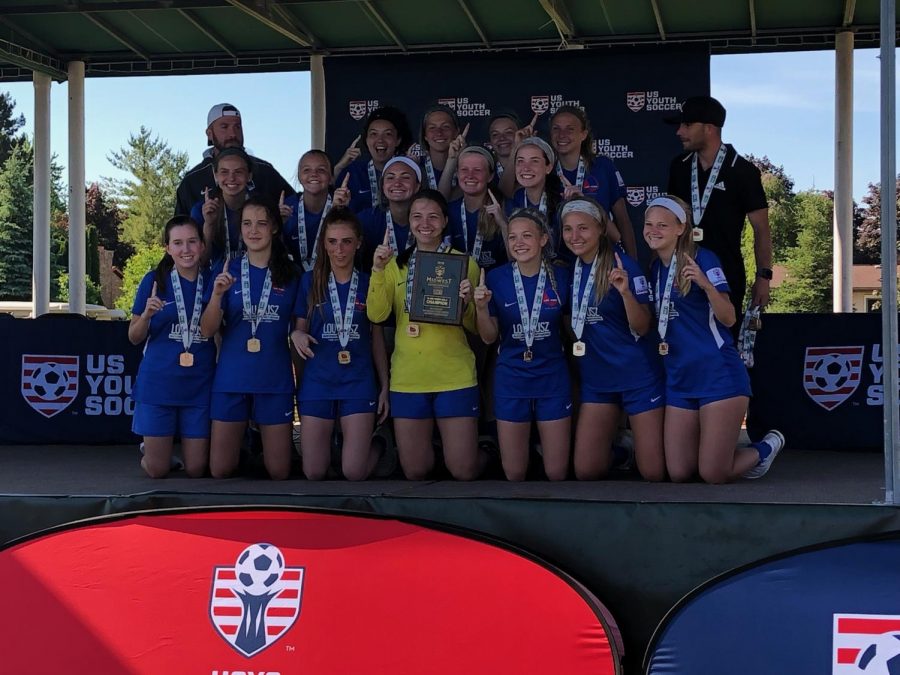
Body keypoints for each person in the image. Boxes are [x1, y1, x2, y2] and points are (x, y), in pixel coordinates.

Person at [643, 195, 784, 483]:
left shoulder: (703, 258)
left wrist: (706, 285)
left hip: (718, 376)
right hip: (680, 379)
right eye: (648, 224)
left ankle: (764, 448)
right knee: (680, 473)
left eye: (662, 225)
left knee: (713, 473)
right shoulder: (655, 268)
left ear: (680, 228)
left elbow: (730, 318)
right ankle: (717, 451)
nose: (653, 230)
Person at [366, 189, 484, 480]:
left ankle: (488, 451)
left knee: (463, 470)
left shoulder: (464, 263)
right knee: (416, 471)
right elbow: (377, 315)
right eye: (417, 216)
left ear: (445, 221)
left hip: (453, 375)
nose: (425, 223)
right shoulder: (394, 265)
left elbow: (475, 327)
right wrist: (377, 270)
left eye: (433, 216)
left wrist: (469, 304)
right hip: (409, 377)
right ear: (410, 222)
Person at [560, 197, 665, 481]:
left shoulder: (624, 265)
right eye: (568, 229)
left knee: (654, 473)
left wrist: (625, 293)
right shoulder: (571, 270)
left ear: (601, 229)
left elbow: (643, 327)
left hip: (637, 376)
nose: (575, 236)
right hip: (598, 380)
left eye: (583, 228)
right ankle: (623, 450)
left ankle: (639, 447)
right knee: (586, 470)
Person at [200, 196, 302, 480]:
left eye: (261, 223)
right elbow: (206, 331)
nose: (253, 230)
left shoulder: (291, 274)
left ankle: (260, 450)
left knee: (280, 472)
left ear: (274, 229)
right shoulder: (226, 269)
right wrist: (217, 296)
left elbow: (300, 327)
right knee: (220, 470)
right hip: (232, 377)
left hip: (274, 377)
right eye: (246, 224)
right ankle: (246, 450)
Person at [291, 207, 390, 480]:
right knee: (313, 472)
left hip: (357, 382)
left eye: (346, 241)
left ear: (358, 243)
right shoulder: (309, 282)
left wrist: (385, 387)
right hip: (318, 380)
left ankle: (381, 443)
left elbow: (376, 339)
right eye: (332, 242)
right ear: (324, 244)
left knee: (354, 472)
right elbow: (300, 329)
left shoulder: (370, 282)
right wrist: (296, 336)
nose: (339, 249)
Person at [474, 208, 571, 481]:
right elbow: (489, 337)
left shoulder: (561, 277)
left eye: (527, 235)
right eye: (513, 237)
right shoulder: (495, 278)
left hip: (552, 377)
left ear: (543, 239)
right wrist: (480, 308)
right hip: (512, 377)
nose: (519, 243)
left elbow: (571, 330)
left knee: (556, 472)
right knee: (514, 473)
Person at [665, 95, 773, 324]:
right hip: (682, 271)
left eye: (686, 125)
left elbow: (762, 230)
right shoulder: (679, 167)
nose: (679, 132)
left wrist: (764, 277)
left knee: (724, 344)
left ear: (709, 128)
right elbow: (668, 221)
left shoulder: (743, 171)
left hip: (726, 273)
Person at [128, 216, 214, 479]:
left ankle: (168, 453)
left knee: (197, 469)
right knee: (156, 470)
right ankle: (155, 453)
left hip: (199, 385)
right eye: (177, 243)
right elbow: (133, 337)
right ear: (167, 248)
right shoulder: (154, 281)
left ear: (201, 245)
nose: (185, 250)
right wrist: (146, 316)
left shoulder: (213, 281)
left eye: (191, 242)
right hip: (159, 384)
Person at [549, 105, 637, 258]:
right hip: (561, 263)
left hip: (601, 258)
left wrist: (632, 261)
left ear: (583, 134)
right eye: (556, 129)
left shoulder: (603, 166)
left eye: (570, 129)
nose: (562, 135)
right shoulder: (545, 171)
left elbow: (622, 219)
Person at [175, 103, 293, 216]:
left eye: (237, 127)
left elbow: (297, 206)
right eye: (224, 127)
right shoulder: (192, 180)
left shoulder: (264, 170)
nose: (233, 134)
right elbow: (179, 229)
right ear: (209, 134)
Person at [279, 149, 351, 271]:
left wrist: (339, 212)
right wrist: (277, 225)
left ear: (331, 177)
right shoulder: (288, 207)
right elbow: (276, 254)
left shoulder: (342, 203)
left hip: (331, 275)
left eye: (321, 170)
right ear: (299, 176)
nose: (314, 174)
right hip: (295, 278)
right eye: (307, 170)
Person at [334, 106, 413, 213]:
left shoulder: (410, 172)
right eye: (374, 134)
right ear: (366, 140)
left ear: (398, 140)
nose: (380, 140)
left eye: (388, 134)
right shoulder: (353, 172)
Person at [448, 146, 508, 272]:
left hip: (494, 285)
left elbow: (517, 260)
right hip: (456, 284)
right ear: (457, 174)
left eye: (477, 170)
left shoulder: (505, 208)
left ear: (490, 176)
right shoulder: (448, 211)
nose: (470, 175)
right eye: (464, 169)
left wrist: (503, 225)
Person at [191, 147, 254, 265]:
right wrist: (209, 224)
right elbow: (199, 261)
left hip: (252, 277)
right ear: (215, 176)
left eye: (239, 172)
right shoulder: (201, 210)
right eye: (224, 172)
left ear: (249, 176)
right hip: (214, 279)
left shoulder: (261, 210)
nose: (231, 178)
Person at [358, 156, 422, 270]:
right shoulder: (367, 219)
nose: (397, 183)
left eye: (405, 177)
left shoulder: (427, 220)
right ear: (382, 186)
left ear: (417, 186)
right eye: (390, 178)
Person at [417, 104, 466, 198]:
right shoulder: (416, 168)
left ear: (456, 132)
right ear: (425, 135)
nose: (439, 133)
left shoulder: (469, 167)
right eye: (432, 128)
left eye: (445, 127)